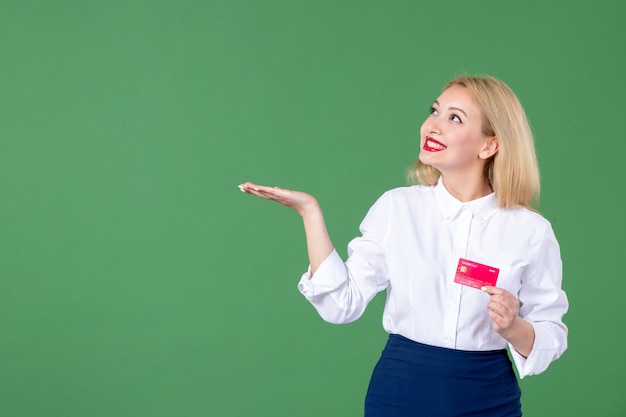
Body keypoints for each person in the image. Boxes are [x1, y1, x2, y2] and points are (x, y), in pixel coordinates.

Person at [238, 75, 568, 417]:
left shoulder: (530, 230)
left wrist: (513, 327)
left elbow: (551, 334)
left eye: (454, 118)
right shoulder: (397, 208)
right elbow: (341, 303)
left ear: (489, 146)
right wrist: (310, 212)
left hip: (488, 396)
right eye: (435, 111)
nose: (432, 125)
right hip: (402, 392)